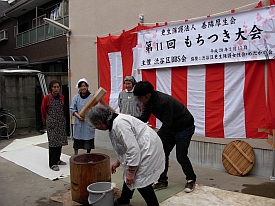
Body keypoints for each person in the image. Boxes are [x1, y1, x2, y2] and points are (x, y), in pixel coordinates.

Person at [86, 105, 165, 206]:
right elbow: (124, 147)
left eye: (96, 127)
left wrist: (131, 171)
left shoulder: (119, 124)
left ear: (100, 123)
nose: (97, 129)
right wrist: (118, 161)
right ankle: (124, 199)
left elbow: (132, 149)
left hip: (148, 147)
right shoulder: (112, 120)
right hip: (139, 145)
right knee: (129, 175)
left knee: (140, 181)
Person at [133, 81, 196, 193]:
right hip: (171, 127)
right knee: (162, 153)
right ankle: (162, 181)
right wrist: (130, 120)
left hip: (184, 126)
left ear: (148, 95)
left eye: (140, 98)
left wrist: (154, 137)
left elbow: (167, 124)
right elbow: (144, 117)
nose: (139, 101)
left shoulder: (164, 101)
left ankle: (191, 179)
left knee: (181, 155)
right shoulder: (147, 102)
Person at [41, 79, 68, 171]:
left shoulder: (62, 97)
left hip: (60, 123)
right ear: (51, 88)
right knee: (53, 144)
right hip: (52, 123)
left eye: (58, 87)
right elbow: (43, 110)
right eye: (54, 87)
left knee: (59, 142)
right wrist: (48, 121)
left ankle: (58, 160)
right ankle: (52, 163)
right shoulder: (47, 98)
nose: (56, 89)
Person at [70, 78, 95, 155]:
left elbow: (94, 108)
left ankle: (88, 154)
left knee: (88, 139)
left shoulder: (92, 97)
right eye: (81, 86)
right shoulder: (76, 97)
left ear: (87, 87)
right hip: (79, 122)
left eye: (84, 86)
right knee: (77, 139)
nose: (82, 88)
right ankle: (76, 153)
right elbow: (72, 108)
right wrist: (78, 116)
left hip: (88, 122)